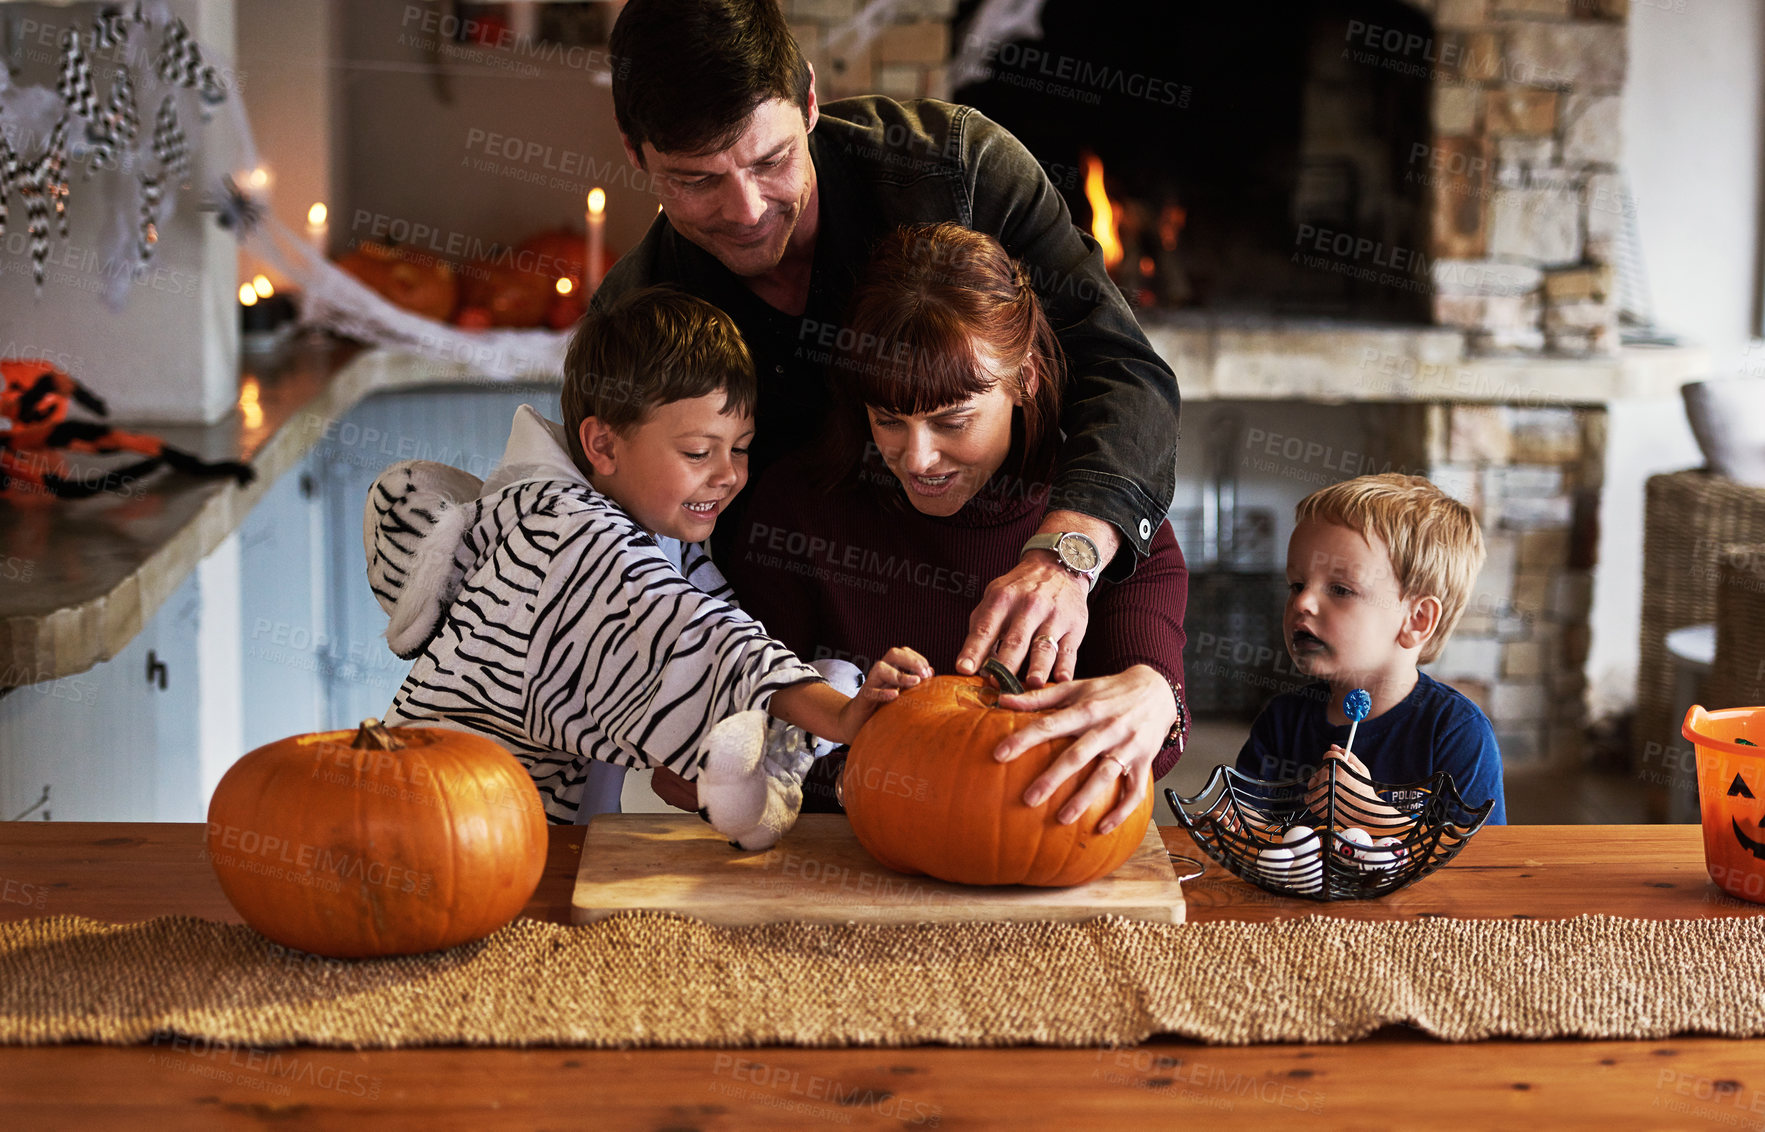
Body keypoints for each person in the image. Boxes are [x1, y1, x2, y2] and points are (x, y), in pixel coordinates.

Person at [596, 0, 1182, 691]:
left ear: (810, 100)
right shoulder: (640, 314)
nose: (747, 210)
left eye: (773, 160)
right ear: (636, 156)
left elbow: (1119, 368)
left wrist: (1065, 556)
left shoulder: (960, 171)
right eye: (696, 181)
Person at [365, 286, 928, 847]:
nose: (727, 474)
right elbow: (684, 632)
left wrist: (729, 741)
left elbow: (709, 617)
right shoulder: (565, 538)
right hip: (439, 838)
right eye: (697, 452)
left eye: (741, 447)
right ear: (604, 446)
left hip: (513, 841)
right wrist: (838, 715)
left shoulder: (651, 528)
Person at [722, 223, 1188, 834]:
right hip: (846, 862)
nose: (916, 459)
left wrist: (1154, 698)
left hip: (1042, 857)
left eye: (952, 421)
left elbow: (1156, 736)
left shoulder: (1109, 532)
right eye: (888, 419)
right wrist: (869, 765)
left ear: (1025, 380)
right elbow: (748, 744)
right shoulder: (795, 511)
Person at [1234, 474, 1507, 827]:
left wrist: (1374, 816)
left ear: (1417, 620)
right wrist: (1236, 824)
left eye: (1341, 589)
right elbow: (1247, 825)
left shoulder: (1456, 733)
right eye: (1297, 584)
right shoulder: (1282, 721)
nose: (1302, 601)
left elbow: (1484, 863)